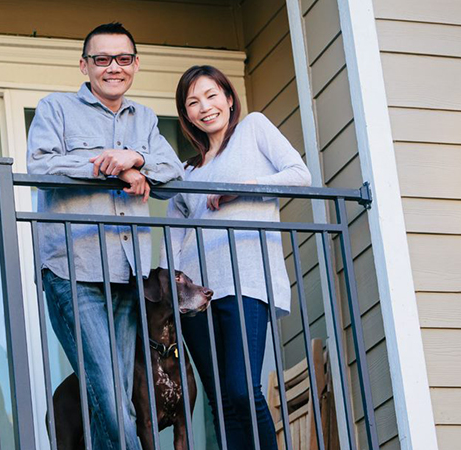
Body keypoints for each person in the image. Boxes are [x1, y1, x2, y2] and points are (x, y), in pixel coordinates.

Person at [27, 22, 183, 450]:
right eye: (102, 59)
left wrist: (135, 156)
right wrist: (114, 166)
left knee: (121, 402)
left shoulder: (145, 119)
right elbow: (40, 168)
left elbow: (171, 171)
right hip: (74, 269)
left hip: (128, 273)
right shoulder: (55, 109)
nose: (113, 67)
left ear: (135, 64)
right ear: (85, 65)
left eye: (123, 58)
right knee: (111, 398)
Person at [163, 65, 312, 450]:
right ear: (187, 115)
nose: (204, 107)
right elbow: (175, 234)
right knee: (220, 402)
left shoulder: (253, 129)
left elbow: (299, 175)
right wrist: (176, 287)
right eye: (193, 102)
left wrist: (240, 189)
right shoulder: (187, 172)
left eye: (212, 95)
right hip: (198, 295)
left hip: (246, 279)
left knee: (243, 389)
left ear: (229, 98)